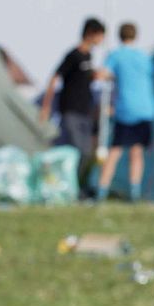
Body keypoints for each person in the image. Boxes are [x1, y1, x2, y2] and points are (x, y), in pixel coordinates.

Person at [39, 18, 105, 198]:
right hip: (71, 110)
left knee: (87, 153)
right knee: (78, 151)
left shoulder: (89, 57)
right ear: (91, 33)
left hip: (85, 112)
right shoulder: (73, 55)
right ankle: (71, 189)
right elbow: (54, 78)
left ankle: (76, 188)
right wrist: (46, 106)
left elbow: (87, 79)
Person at [94, 22, 154, 202]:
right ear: (136, 36)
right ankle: (135, 193)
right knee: (136, 152)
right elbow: (148, 74)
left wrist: (114, 76)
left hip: (125, 109)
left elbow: (102, 75)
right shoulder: (144, 57)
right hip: (146, 109)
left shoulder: (116, 55)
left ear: (119, 36)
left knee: (114, 152)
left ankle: (101, 192)